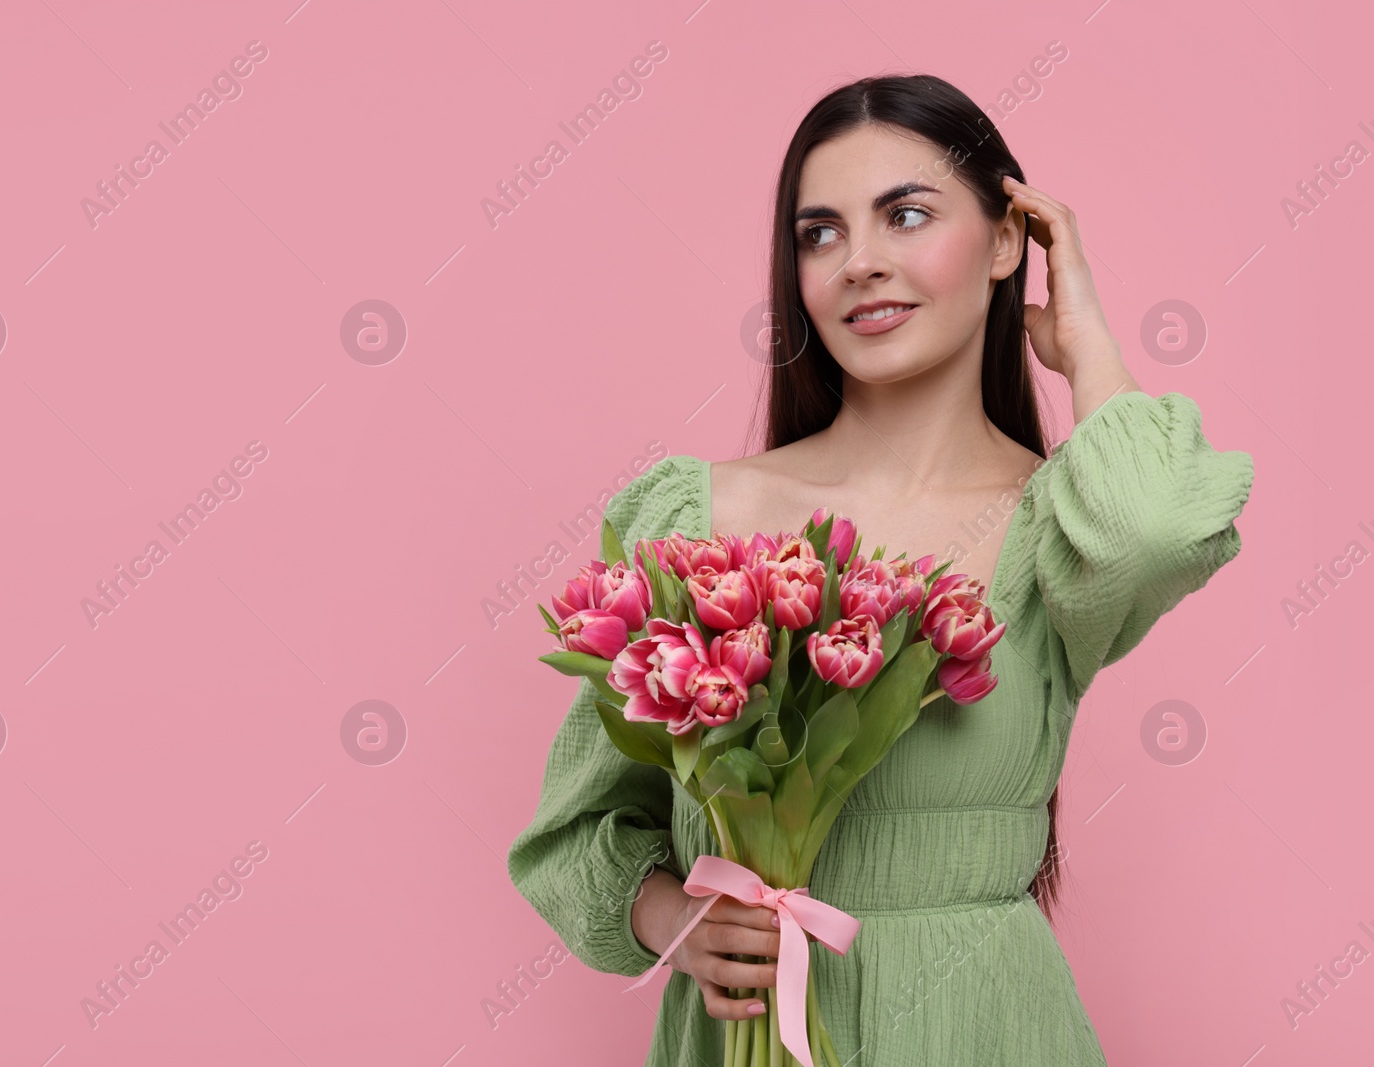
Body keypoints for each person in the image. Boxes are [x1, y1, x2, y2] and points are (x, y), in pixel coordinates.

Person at [507, 73, 1254, 1065]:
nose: (859, 263)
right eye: (818, 233)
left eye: (905, 215)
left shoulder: (1060, 525)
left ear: (1004, 242)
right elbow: (576, 828)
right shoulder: (691, 517)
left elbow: (1157, 525)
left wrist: (1085, 345)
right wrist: (667, 917)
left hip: (986, 1027)